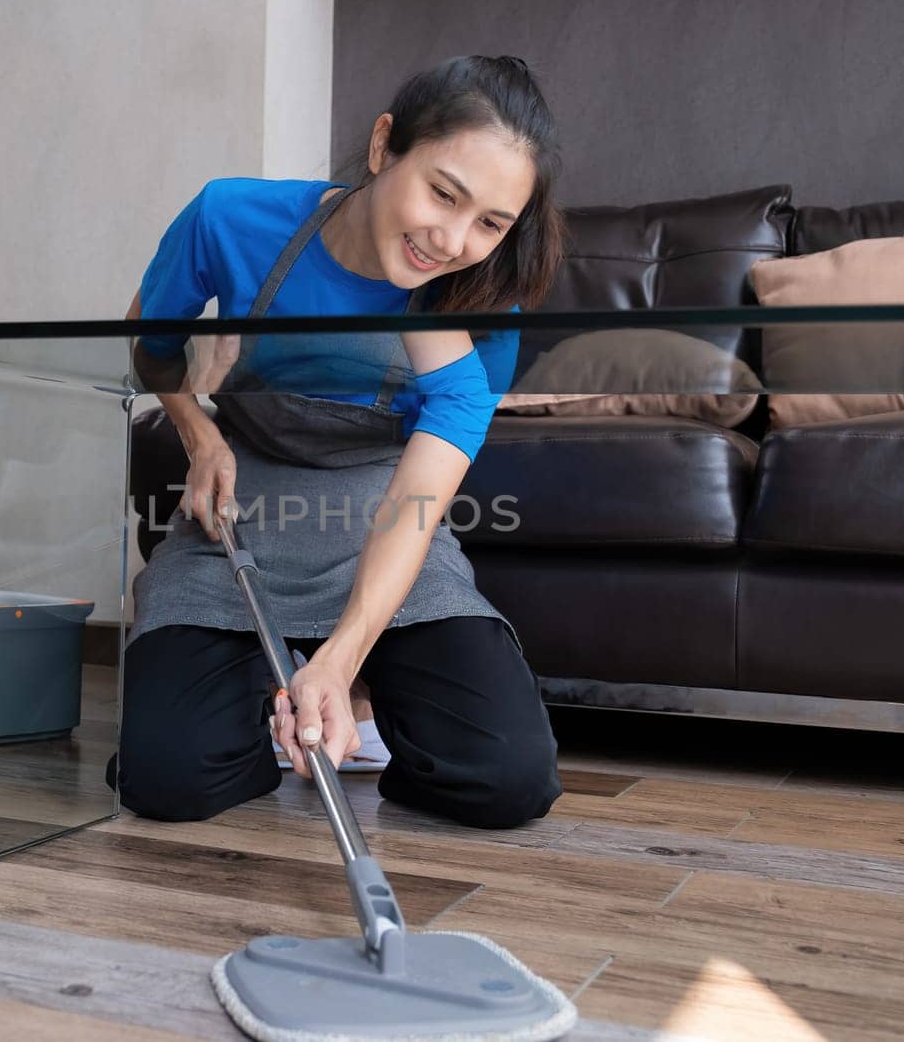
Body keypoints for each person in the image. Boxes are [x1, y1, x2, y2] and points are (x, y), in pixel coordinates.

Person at [109, 56, 566, 830]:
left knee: (507, 778)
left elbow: (419, 500)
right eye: (442, 193)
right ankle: (274, 691)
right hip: (245, 498)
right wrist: (199, 434)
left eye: (491, 223)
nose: (452, 240)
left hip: (382, 510)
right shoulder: (232, 220)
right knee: (165, 774)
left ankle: (348, 690)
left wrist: (347, 654)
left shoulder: (487, 301)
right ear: (385, 145)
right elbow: (151, 341)